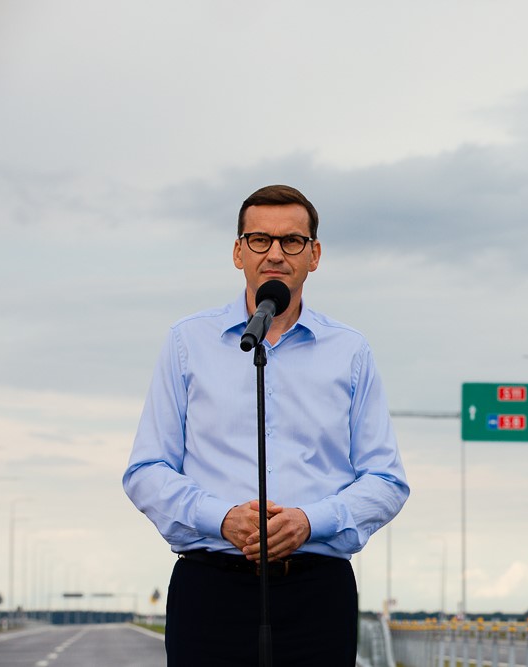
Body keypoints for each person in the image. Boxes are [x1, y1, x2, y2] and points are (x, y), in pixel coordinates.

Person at [123, 184, 409, 666]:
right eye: (260, 239)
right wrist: (222, 517)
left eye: (292, 241)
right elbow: (146, 471)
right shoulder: (187, 343)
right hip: (209, 589)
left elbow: (387, 480)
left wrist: (309, 522)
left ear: (314, 255)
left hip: (317, 593)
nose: (275, 253)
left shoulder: (350, 352)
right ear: (238, 252)